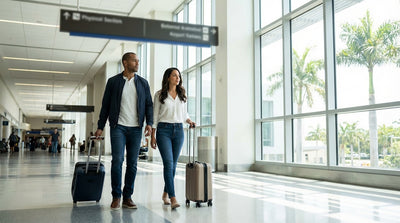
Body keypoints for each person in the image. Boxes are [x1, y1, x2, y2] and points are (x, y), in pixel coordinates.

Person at [95, 52, 153, 210]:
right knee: (117, 161)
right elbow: (105, 105)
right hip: (118, 127)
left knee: (133, 164)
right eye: (134, 60)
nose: (137, 63)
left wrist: (150, 123)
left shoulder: (143, 83)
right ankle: (116, 196)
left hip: (136, 128)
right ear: (125, 63)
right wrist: (100, 126)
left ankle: (128, 196)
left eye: (138, 61)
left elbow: (149, 104)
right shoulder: (113, 82)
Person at [150, 67, 196, 209]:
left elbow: (185, 113)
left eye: (179, 76)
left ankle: (165, 194)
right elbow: (155, 117)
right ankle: (173, 197)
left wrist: (189, 121)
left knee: (173, 166)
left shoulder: (182, 94)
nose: (178, 78)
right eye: (175, 75)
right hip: (164, 131)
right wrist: (152, 135)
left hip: (179, 131)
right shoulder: (159, 95)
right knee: (168, 164)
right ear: (168, 77)